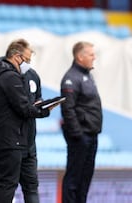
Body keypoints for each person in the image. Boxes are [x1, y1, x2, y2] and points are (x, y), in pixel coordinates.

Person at [0, 39, 52, 203]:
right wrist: (45, 110)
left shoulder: (28, 76)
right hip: (10, 140)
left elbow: (30, 102)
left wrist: (38, 105)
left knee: (22, 185)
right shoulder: (8, 78)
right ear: (16, 57)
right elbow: (24, 108)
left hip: (23, 140)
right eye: (26, 60)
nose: (28, 64)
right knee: (6, 184)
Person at [60, 41, 103, 203]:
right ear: (80, 57)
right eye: (91, 55)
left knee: (85, 179)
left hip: (91, 135)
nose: (94, 57)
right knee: (74, 178)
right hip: (81, 137)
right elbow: (68, 109)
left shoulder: (87, 76)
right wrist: (77, 134)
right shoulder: (71, 78)